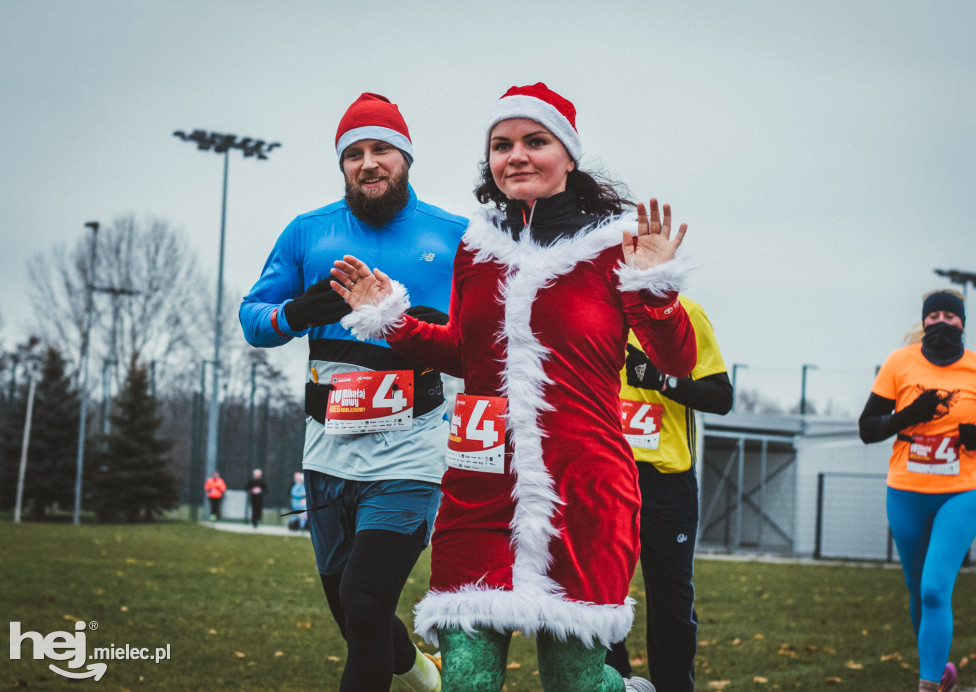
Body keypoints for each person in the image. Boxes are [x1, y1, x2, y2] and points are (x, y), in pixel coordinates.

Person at [332, 82, 697, 692]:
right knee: (468, 680)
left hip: (582, 490)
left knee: (572, 682)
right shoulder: (477, 250)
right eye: (502, 145)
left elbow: (677, 360)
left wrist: (656, 287)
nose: (517, 156)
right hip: (481, 487)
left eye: (536, 141)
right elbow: (466, 353)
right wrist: (390, 318)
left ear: (569, 156)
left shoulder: (617, 246)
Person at [239, 92, 466, 692]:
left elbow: (490, 337)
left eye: (382, 150)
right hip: (328, 452)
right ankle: (420, 671)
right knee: (350, 610)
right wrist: (296, 312)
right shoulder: (308, 232)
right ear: (342, 165)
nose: (368, 163)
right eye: (354, 154)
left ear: (406, 159)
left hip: (413, 452)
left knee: (365, 603)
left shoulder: (455, 237)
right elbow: (252, 318)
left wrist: (430, 325)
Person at [858, 289, 976, 692]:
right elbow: (867, 429)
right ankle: (940, 670)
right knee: (918, 591)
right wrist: (910, 415)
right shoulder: (899, 363)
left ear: (962, 323)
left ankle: (927, 687)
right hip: (907, 493)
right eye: (935, 316)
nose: (942, 322)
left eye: (951, 315)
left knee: (934, 588)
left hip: (962, 492)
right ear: (924, 321)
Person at [606, 297, 733, 691]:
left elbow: (721, 397)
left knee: (671, 602)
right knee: (600, 595)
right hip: (605, 473)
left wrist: (662, 381)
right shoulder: (591, 305)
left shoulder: (686, 313)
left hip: (666, 480)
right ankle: (614, 682)